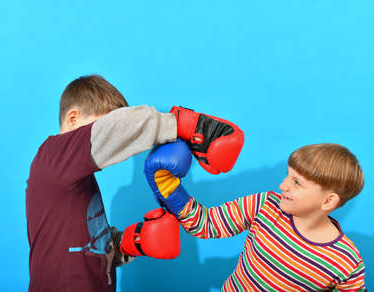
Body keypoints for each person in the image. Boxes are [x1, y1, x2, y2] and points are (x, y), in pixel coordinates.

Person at [25, 74, 244, 292]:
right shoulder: (53, 155)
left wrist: (129, 242)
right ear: (73, 119)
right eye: (103, 126)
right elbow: (121, 127)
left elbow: (81, 246)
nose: (114, 143)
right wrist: (190, 125)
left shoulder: (72, 177)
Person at [145, 140, 367, 291]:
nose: (283, 185)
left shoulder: (346, 262)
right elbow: (207, 224)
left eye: (296, 183)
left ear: (328, 201)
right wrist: (172, 191)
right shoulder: (266, 206)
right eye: (288, 176)